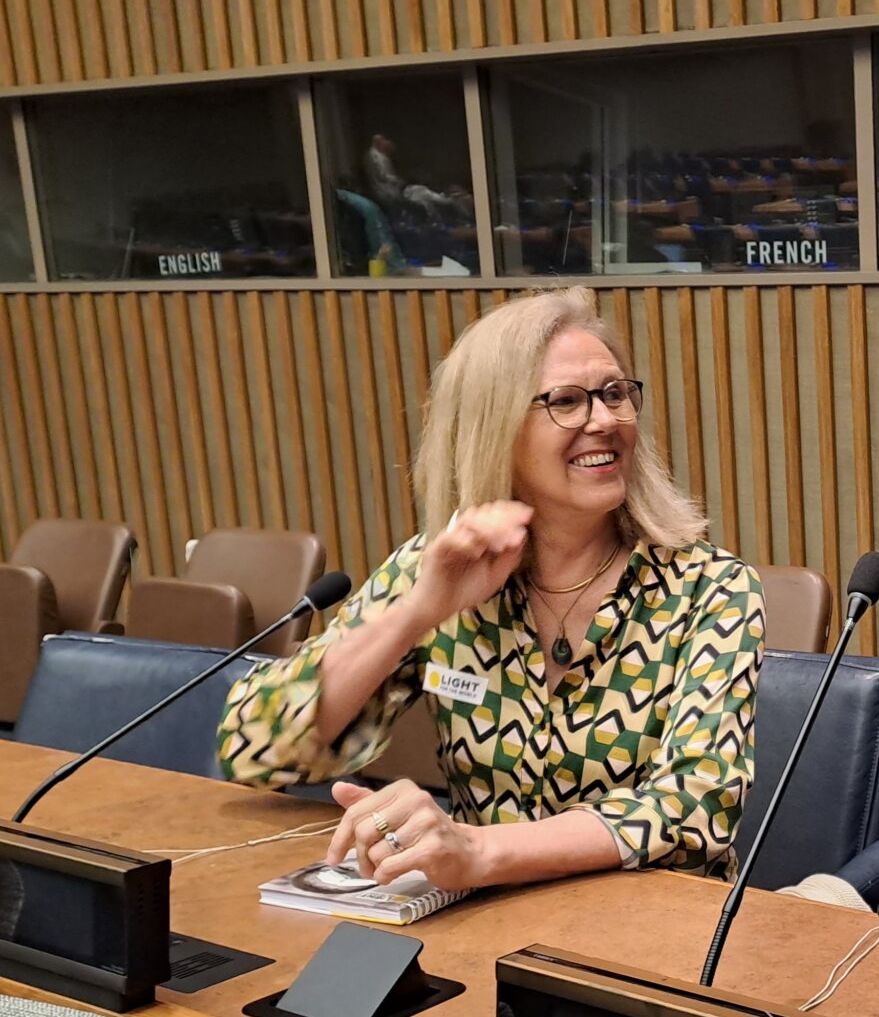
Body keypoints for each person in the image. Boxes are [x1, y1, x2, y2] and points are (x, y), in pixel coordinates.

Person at [219, 287, 762, 888]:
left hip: (647, 932)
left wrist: (478, 850)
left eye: (615, 393)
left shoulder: (711, 587)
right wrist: (417, 612)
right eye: (566, 401)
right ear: (494, 426)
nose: (604, 420)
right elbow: (255, 747)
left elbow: (694, 808)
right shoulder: (436, 569)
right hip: (483, 923)